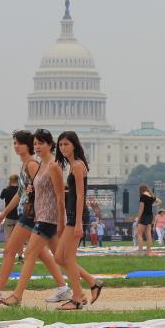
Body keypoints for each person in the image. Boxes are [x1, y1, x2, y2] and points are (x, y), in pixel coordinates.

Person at [0, 130, 71, 304]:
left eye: (19, 143)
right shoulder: (26, 164)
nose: (16, 146)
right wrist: (4, 213)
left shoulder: (32, 164)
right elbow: (21, 193)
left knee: (10, 251)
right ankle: (66, 287)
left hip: (31, 215)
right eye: (14, 143)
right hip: (30, 213)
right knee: (48, 255)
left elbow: (38, 191)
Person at [52, 130, 104, 309]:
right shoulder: (74, 165)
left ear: (74, 145)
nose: (63, 147)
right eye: (60, 145)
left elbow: (81, 195)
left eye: (66, 144)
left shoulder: (77, 166)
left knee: (67, 257)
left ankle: (77, 298)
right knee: (59, 257)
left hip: (77, 217)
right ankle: (92, 282)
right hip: (73, 216)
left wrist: (79, 222)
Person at [134, 185, 157, 253]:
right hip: (150, 216)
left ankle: (140, 250)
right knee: (148, 234)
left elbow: (141, 208)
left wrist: (138, 219)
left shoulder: (143, 196)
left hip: (144, 216)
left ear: (141, 190)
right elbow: (159, 201)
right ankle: (148, 250)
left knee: (139, 234)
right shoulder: (151, 196)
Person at [0, 175, 21, 247]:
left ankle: (8, 253)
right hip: (19, 216)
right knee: (19, 237)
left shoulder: (6, 190)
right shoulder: (20, 190)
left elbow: (1, 197)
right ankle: (20, 255)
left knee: (8, 236)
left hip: (9, 216)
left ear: (10, 181)